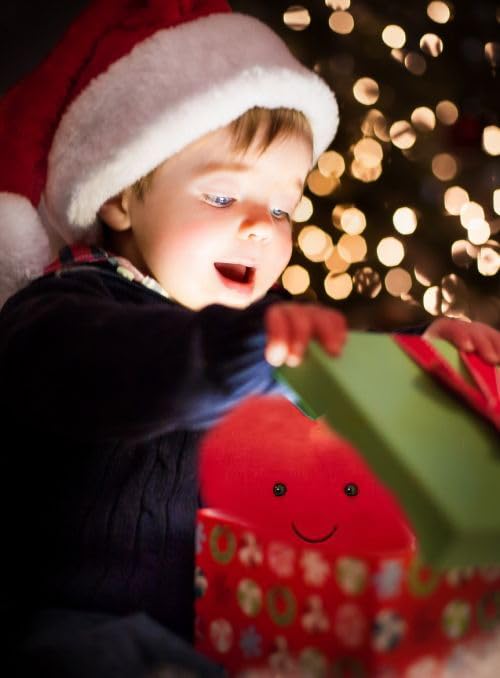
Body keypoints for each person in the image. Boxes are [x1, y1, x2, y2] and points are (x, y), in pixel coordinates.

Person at [0, 1, 498, 677]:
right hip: (71, 621)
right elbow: (128, 366)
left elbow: (344, 374)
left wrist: (426, 351)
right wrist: (232, 353)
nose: (264, 227)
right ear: (120, 196)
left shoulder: (263, 330)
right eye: (223, 197)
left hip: (232, 622)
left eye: (284, 206)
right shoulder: (61, 312)